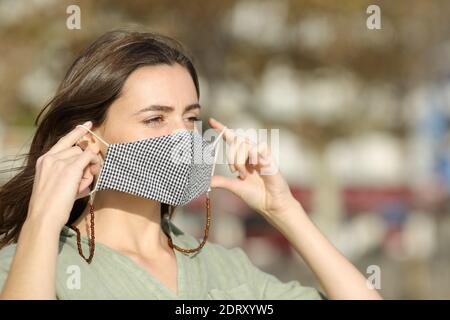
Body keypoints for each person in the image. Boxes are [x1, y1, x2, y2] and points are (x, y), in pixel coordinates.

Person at [0, 30, 382, 300]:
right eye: (155, 119)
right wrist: (42, 220)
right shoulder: (31, 262)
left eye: (191, 118)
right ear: (87, 139)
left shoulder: (224, 267)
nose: (182, 137)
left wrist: (285, 212)